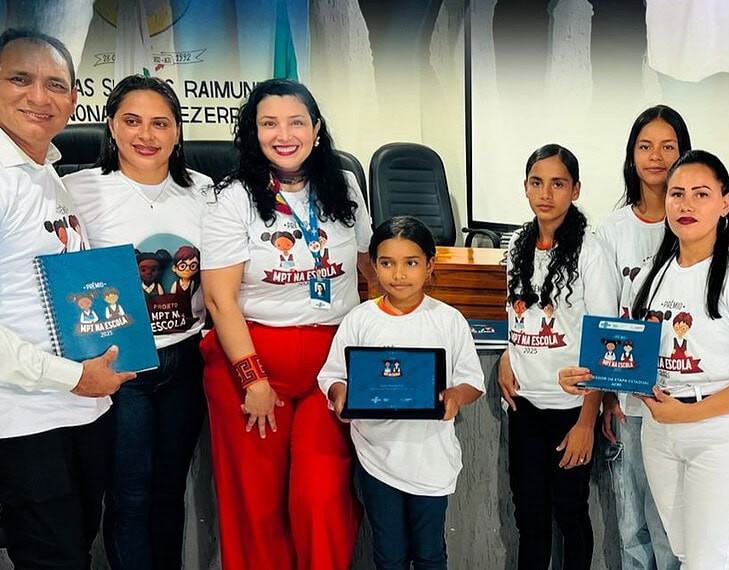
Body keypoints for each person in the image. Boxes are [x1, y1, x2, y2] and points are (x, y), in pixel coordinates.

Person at [563, 150, 729, 568]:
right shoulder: (653, 272)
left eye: (701, 194)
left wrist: (691, 414)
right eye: (677, 194)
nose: (686, 205)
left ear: (725, 203)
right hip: (660, 430)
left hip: (719, 435)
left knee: (708, 560)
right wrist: (589, 376)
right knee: (685, 552)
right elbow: (633, 358)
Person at [199, 78, 376, 570]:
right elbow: (219, 297)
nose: (284, 133)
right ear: (252, 132)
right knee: (255, 507)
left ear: (316, 129)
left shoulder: (345, 187)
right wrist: (250, 377)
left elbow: (370, 271)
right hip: (253, 362)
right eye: (269, 123)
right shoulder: (230, 198)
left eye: (296, 121)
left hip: (333, 367)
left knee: (322, 498)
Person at [63, 74, 213, 570]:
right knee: (128, 496)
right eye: (132, 121)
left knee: (170, 492)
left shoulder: (205, 192)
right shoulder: (77, 191)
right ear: (110, 126)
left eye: (159, 123)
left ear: (177, 133)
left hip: (185, 358)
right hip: (119, 366)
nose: (145, 135)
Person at [0, 27, 137, 569]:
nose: (39, 96)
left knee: (75, 547)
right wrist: (71, 378)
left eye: (55, 84)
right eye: (20, 79)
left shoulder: (46, 174)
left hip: (83, 409)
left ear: (74, 100)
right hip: (27, 417)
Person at [318, 215, 485, 569]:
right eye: (387, 263)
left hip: (430, 457)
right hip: (377, 457)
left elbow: (472, 380)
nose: (398, 274)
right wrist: (340, 395)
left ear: (429, 265)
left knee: (429, 551)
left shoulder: (448, 319)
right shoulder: (360, 319)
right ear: (374, 266)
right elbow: (333, 376)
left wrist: (455, 396)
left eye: (411, 263)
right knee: (389, 552)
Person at [498, 144, 619, 570]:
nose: (545, 193)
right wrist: (507, 357)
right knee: (529, 518)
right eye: (536, 182)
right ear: (525, 188)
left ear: (575, 189)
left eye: (558, 183)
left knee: (570, 514)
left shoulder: (592, 252)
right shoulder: (516, 244)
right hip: (525, 406)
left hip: (571, 410)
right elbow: (517, 313)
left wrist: (588, 420)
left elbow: (602, 341)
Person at [593, 104, 691, 570]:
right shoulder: (610, 232)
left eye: (668, 146)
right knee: (633, 528)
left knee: (675, 530)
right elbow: (604, 317)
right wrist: (610, 397)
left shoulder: (698, 225)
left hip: (683, 400)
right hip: (630, 403)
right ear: (631, 156)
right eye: (645, 146)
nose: (657, 157)